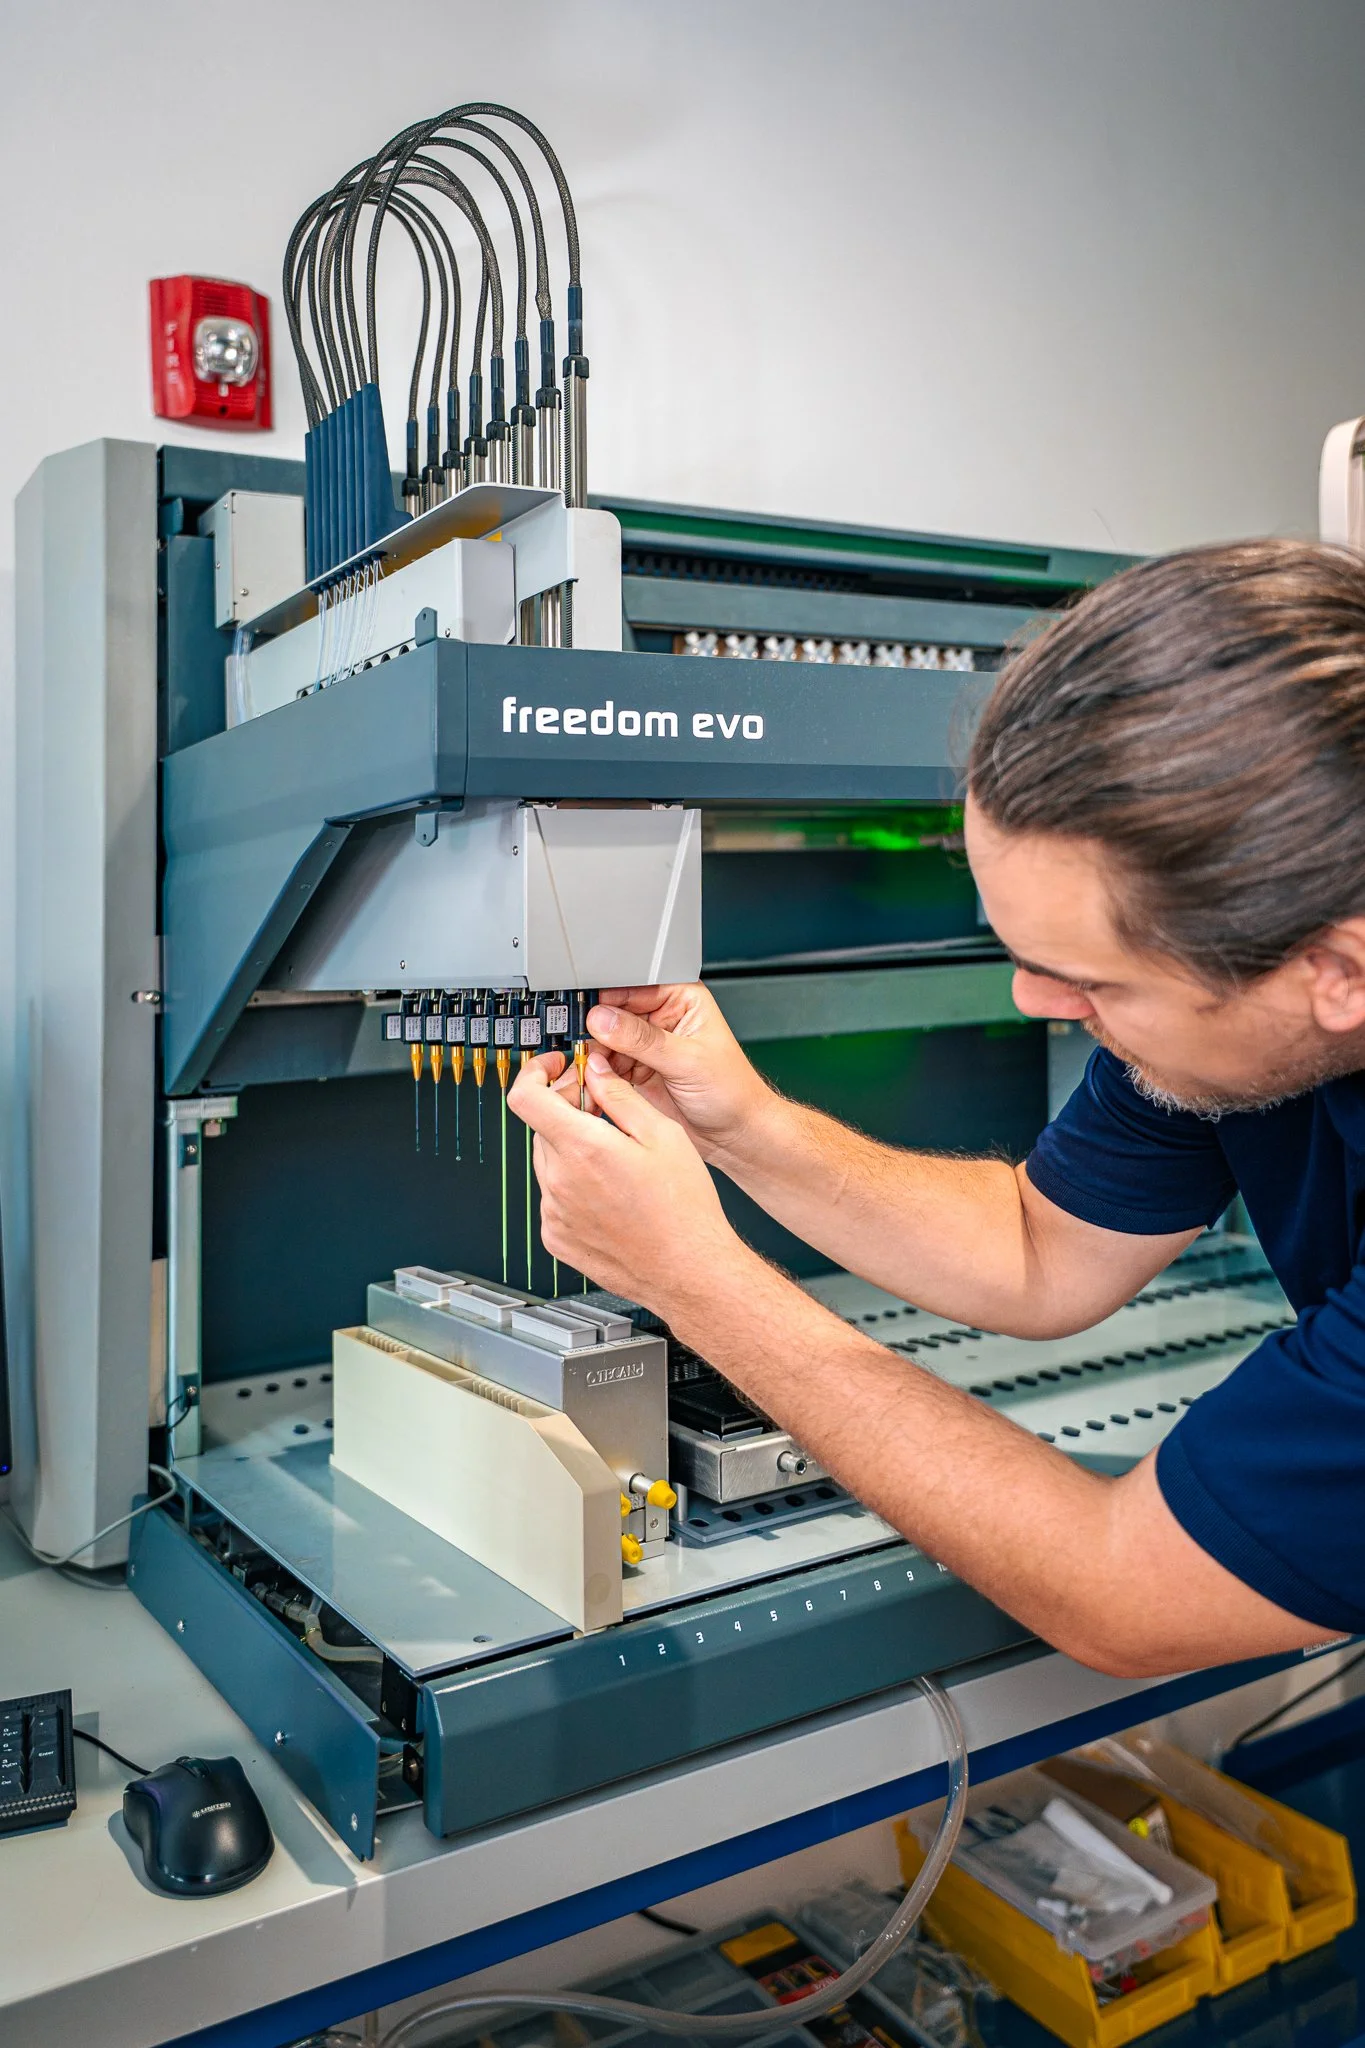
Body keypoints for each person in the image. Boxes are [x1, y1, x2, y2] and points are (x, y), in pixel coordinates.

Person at [509, 539, 1365, 1678]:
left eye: (1092, 981)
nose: (1035, 1002)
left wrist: (690, 1279)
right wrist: (742, 1126)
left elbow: (1128, 1587)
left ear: (1337, 972)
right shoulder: (1227, 1017)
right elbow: (1041, 1249)